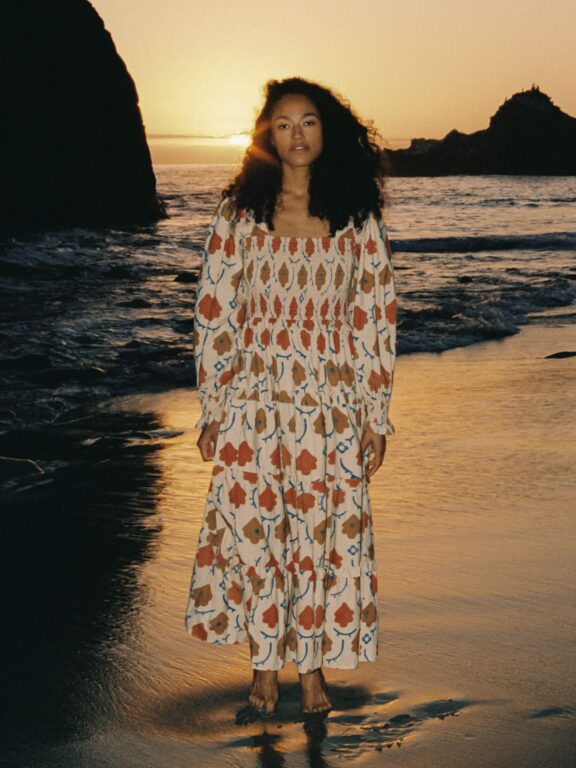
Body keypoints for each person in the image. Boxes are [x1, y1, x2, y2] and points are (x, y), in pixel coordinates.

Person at [185, 76, 397, 720]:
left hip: (328, 408)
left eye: (308, 121)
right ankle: (262, 668)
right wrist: (213, 411)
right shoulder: (238, 218)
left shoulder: (356, 220)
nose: (297, 134)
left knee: (318, 536)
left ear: (326, 132)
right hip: (253, 403)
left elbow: (374, 318)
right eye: (283, 124)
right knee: (257, 536)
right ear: (266, 136)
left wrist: (375, 414)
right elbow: (214, 316)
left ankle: (311, 674)